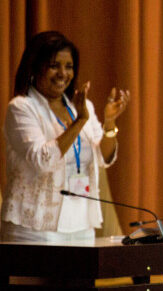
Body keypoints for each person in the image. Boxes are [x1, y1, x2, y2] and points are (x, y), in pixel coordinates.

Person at [1, 31, 130, 242]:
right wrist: (79, 122)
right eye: (54, 66)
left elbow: (103, 158)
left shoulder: (82, 106)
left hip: (81, 225)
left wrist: (109, 122)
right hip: (35, 228)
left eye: (68, 66)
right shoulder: (21, 108)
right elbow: (42, 160)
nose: (63, 73)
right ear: (35, 67)